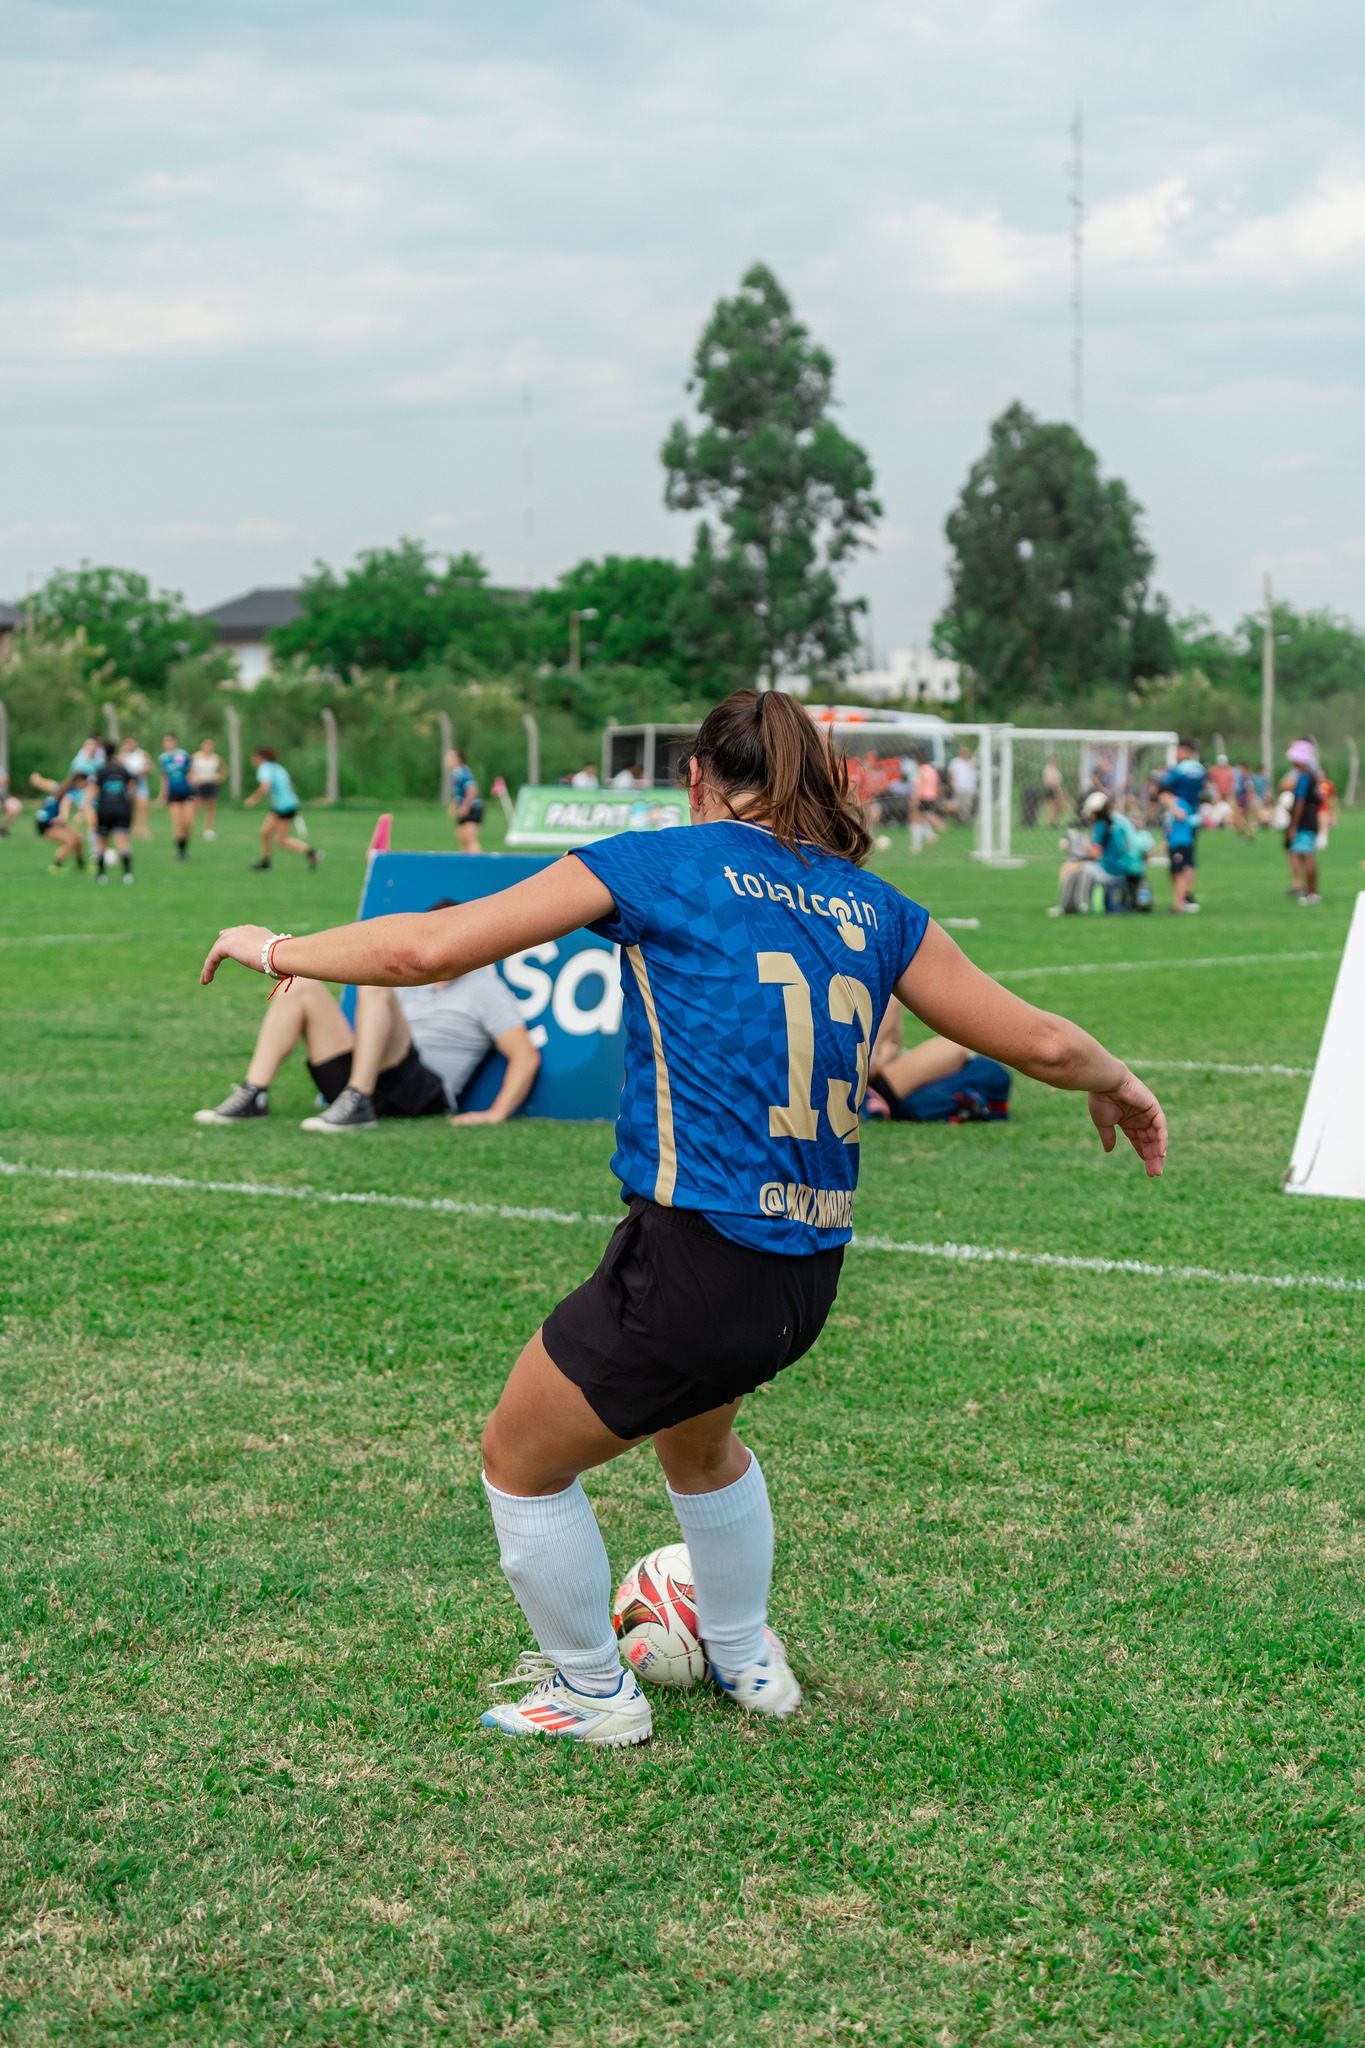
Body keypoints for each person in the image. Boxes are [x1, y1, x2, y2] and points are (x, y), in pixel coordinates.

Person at [200, 688, 1167, 1749]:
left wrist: (276, 945)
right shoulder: (873, 904)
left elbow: (431, 950)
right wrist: (1119, 1080)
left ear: (697, 780)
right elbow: (1041, 1041)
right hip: (807, 1274)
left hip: (699, 1254)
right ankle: (749, 1657)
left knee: (520, 1457)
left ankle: (591, 1691)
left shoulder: (662, 860)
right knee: (698, 1441)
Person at [195, 914, 540, 1131]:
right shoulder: (414, 974)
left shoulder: (484, 987)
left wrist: (495, 1114)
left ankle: (359, 1099)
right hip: (369, 1068)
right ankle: (254, 1095)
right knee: (300, 984)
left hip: (420, 1090)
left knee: (376, 980)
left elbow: (525, 1055)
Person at [865, 1006, 1010, 1122]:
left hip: (876, 1078)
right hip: (873, 1082)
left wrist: (886, 1052)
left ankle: (870, 1099)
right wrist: (885, 1054)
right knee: (953, 1049)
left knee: (957, 1052)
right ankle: (869, 1100)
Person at [245, 748, 320, 871]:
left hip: (283, 806)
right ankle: (265, 862)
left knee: (281, 839)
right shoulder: (278, 768)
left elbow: (265, 786)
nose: (252, 760)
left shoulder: (264, 768)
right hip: (287, 804)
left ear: (260, 758)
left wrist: (253, 800)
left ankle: (311, 853)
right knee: (265, 832)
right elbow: (291, 785)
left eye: (254, 757)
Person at [1156, 738, 1208, 907]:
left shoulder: (1178, 771)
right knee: (1190, 857)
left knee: (1178, 857)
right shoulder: (1201, 770)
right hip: (1193, 817)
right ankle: (1188, 894)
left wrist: (1168, 801)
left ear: (1184, 750)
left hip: (1179, 817)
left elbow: (1162, 788)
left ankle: (1180, 899)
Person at [85, 749, 136, 884]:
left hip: (105, 810)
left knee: (102, 843)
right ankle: (127, 874)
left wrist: (85, 806)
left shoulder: (101, 771)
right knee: (123, 842)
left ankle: (101, 875)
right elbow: (132, 790)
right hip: (121, 809)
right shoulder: (123, 770)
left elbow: (93, 791)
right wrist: (130, 807)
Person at [1284, 739, 1322, 905]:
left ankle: (1311, 893)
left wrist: (1293, 826)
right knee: (1306, 854)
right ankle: (1310, 890)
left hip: (1304, 822)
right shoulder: (1313, 776)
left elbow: (1300, 802)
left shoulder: (1303, 778)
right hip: (1312, 820)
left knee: (1307, 856)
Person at [32, 771, 88, 870]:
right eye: (85, 782)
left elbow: (45, 783)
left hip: (50, 821)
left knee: (78, 839)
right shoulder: (70, 792)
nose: (86, 785)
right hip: (47, 824)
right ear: (79, 781)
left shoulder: (59, 786)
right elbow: (66, 803)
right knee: (71, 841)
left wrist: (37, 779)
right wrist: (63, 816)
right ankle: (56, 865)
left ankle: (81, 865)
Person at [1158, 788, 1198, 913]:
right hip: (1173, 844)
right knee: (1174, 874)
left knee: (1179, 873)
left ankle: (1180, 904)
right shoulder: (1166, 811)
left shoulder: (1179, 802)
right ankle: (1178, 901)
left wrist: (1171, 803)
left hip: (1182, 843)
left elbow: (1182, 816)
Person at [158, 732, 196, 861]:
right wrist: (162, 794)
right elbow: (165, 777)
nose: (167, 743)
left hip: (187, 791)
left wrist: (194, 786)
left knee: (188, 822)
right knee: (178, 821)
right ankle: (181, 851)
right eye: (165, 741)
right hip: (173, 793)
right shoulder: (163, 758)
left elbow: (190, 772)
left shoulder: (183, 754)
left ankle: (185, 844)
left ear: (175, 742)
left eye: (170, 741)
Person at [444, 748, 484, 852]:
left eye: (449, 757)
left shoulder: (463, 773)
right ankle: (466, 863)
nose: (446, 759)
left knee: (469, 836)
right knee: (461, 835)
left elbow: (472, 789)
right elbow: (459, 794)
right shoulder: (455, 774)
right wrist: (453, 805)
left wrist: (465, 807)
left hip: (473, 808)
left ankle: (479, 863)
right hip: (465, 808)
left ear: (457, 759)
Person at [190, 738, 225, 840]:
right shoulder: (195, 757)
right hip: (199, 784)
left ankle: (208, 829)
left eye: (210, 745)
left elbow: (223, 768)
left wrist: (220, 777)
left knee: (211, 807)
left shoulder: (216, 758)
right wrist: (192, 777)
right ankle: (190, 828)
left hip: (211, 784)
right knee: (195, 806)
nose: (208, 748)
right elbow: (188, 769)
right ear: (202, 746)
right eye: (206, 745)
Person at [120, 738, 153, 839]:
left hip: (140, 783)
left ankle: (143, 828)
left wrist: (142, 771)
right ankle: (131, 828)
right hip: (128, 784)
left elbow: (150, 767)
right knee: (130, 807)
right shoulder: (123, 756)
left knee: (143, 805)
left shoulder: (142, 754)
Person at [947, 745, 978, 825]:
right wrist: (951, 784)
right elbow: (951, 774)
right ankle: (958, 819)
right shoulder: (955, 762)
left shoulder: (973, 762)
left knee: (967, 805)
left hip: (969, 787)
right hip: (958, 786)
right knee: (957, 804)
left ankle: (965, 820)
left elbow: (978, 771)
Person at [1043, 754, 1067, 829]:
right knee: (1052, 807)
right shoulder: (1049, 769)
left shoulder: (1055, 769)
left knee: (1058, 806)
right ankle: (1051, 822)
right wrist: (1058, 791)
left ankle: (1054, 821)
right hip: (1052, 789)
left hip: (1057, 789)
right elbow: (1053, 782)